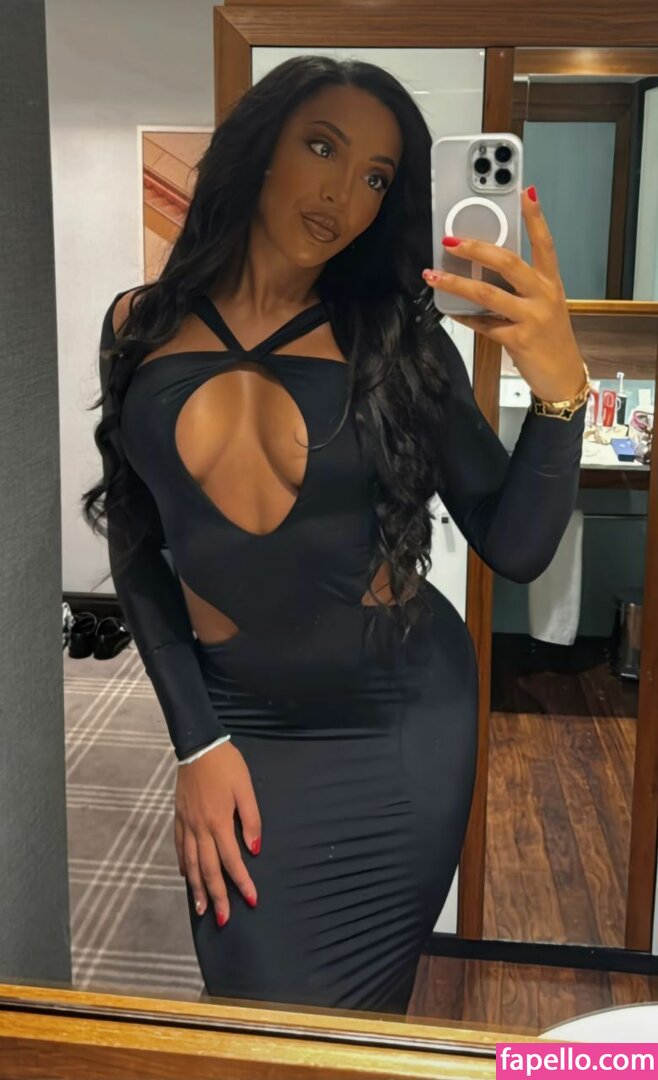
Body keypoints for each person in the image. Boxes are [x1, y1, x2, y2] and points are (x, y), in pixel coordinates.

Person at [83, 56, 589, 1015]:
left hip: (398, 725)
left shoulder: (399, 340)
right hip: (242, 722)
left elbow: (515, 544)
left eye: (376, 177)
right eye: (322, 147)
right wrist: (195, 742)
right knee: (253, 1012)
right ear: (261, 148)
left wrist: (563, 387)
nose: (342, 194)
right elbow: (138, 543)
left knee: (353, 1026)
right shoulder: (138, 327)